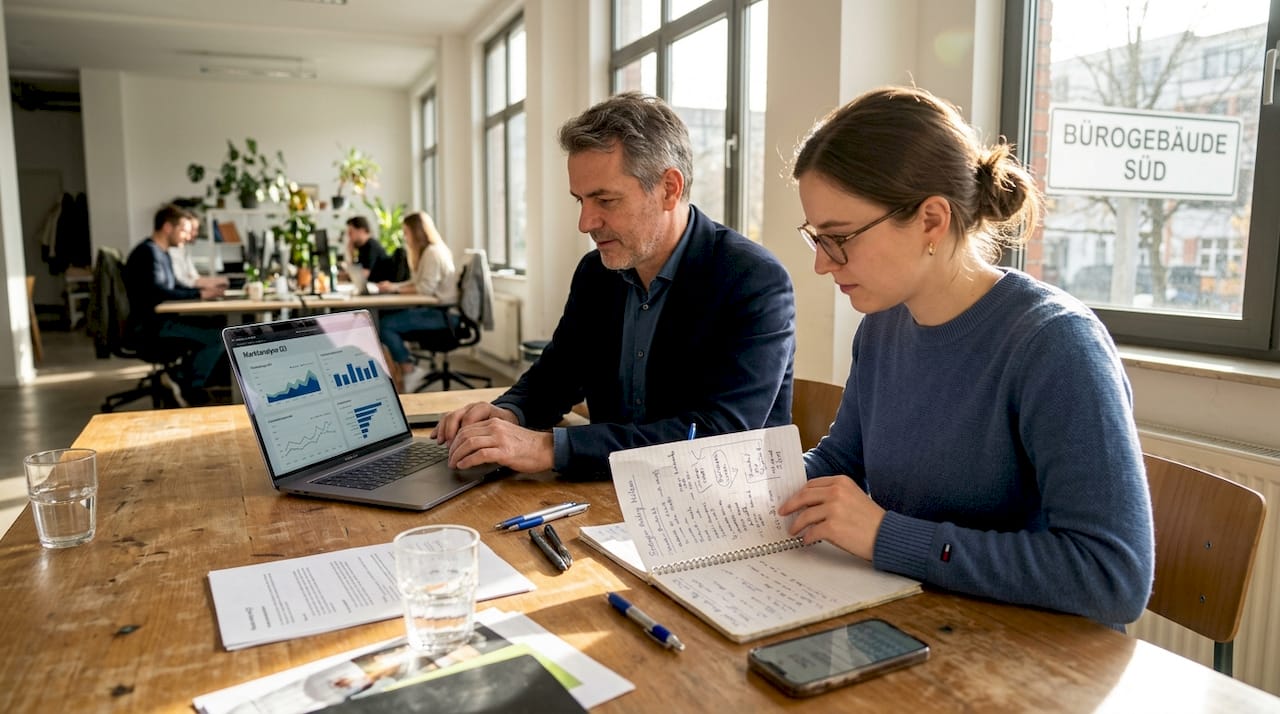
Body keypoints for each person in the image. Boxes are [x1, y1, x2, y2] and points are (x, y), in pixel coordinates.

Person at [776, 86, 1154, 627]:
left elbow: (1112, 576)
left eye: (839, 238)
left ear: (932, 220)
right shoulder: (882, 325)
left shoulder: (1056, 344)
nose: (822, 264)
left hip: (1035, 658)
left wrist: (886, 536)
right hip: (917, 620)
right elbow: (843, 463)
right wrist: (741, 489)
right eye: (816, 238)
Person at [433, 92, 796, 478]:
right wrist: (509, 412)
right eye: (580, 201)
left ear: (669, 189)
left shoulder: (753, 279)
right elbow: (557, 373)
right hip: (610, 493)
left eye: (604, 200)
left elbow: (717, 435)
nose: (586, 223)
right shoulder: (596, 273)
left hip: (718, 502)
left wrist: (549, 448)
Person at [123, 204, 228, 400]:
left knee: (218, 322)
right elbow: (158, 293)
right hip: (151, 327)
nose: (186, 237)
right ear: (167, 228)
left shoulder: (161, 252)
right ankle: (186, 386)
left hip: (162, 321)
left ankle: (189, 379)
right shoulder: (148, 253)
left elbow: (171, 289)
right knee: (218, 337)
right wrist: (200, 295)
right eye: (183, 230)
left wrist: (200, 292)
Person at [377, 210, 459, 393]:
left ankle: (409, 369)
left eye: (406, 232)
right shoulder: (428, 252)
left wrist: (396, 289)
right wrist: (394, 286)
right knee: (387, 319)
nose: (405, 237)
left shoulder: (433, 253)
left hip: (445, 315)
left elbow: (425, 289)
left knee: (386, 325)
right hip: (438, 310)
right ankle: (407, 368)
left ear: (417, 232)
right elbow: (418, 283)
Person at [170, 215, 229, 291]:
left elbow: (194, 276)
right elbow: (181, 280)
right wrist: (211, 283)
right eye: (193, 229)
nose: (196, 233)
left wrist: (212, 282)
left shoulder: (183, 249)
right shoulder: (172, 251)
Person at [344, 215, 397, 284]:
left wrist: (350, 254)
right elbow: (356, 272)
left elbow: (362, 276)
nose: (349, 236)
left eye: (351, 232)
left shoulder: (371, 245)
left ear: (361, 231)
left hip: (383, 287)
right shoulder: (362, 247)